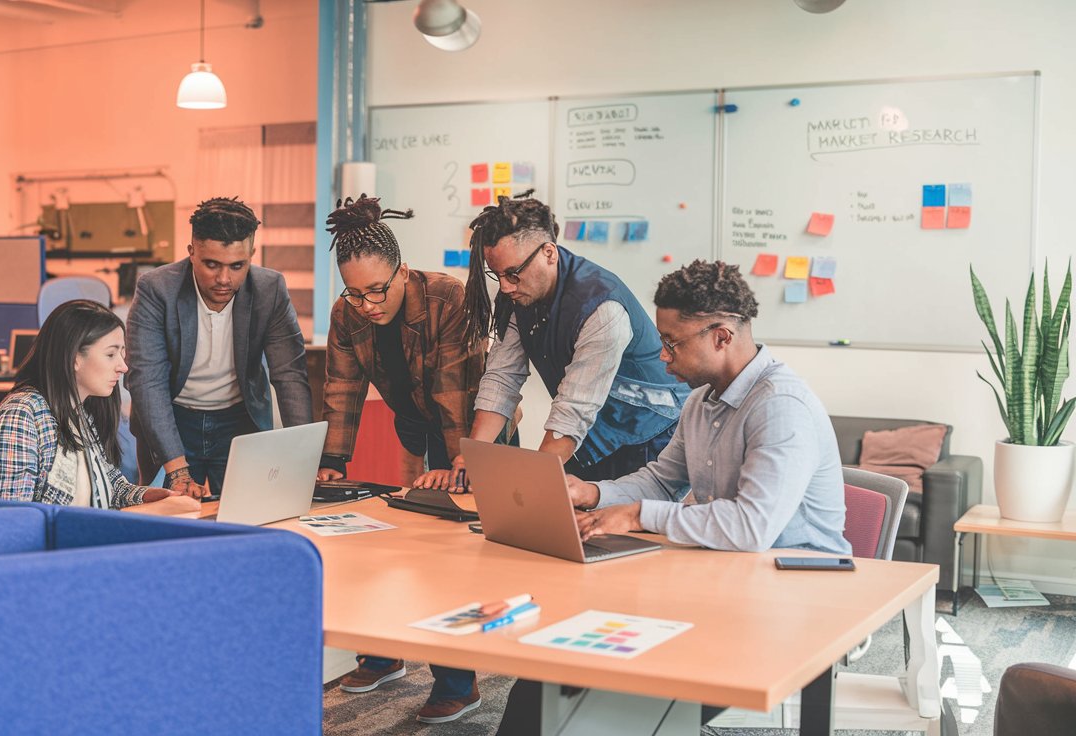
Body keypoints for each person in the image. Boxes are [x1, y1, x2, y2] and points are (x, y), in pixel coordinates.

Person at [494, 260, 850, 734]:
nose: (662, 357)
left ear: (722, 336)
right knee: (549, 669)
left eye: (673, 343)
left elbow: (751, 527)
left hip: (790, 601)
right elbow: (662, 480)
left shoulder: (780, 407)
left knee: (618, 692)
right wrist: (593, 492)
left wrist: (638, 515)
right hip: (723, 579)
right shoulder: (702, 400)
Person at [316, 195, 485, 724]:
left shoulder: (446, 297)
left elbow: (455, 387)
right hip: (415, 427)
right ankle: (384, 656)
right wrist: (333, 462)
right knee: (390, 544)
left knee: (452, 560)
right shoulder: (346, 313)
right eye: (354, 292)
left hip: (475, 431)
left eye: (377, 290)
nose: (367, 304)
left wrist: (458, 463)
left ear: (402, 271)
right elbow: (342, 385)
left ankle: (460, 683)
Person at [438, 194, 689, 489]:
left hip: (650, 433)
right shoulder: (519, 295)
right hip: (592, 430)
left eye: (513, 274)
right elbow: (502, 378)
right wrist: (473, 455)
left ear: (549, 253)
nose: (505, 286)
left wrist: (531, 482)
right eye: (497, 275)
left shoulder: (602, 308)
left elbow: (574, 408)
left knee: (624, 528)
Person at [126, 197, 313, 497]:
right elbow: (147, 381)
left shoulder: (270, 289)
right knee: (169, 518)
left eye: (237, 266)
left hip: (239, 421)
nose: (224, 279)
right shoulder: (156, 289)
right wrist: (177, 468)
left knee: (252, 514)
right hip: (173, 420)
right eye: (211, 264)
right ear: (191, 253)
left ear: (252, 255)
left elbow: (290, 374)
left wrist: (303, 456)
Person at [0, 300, 187, 509]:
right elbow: (9, 524)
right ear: (74, 357)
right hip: (63, 543)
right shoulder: (20, 419)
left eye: (122, 354)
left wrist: (150, 495)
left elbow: (109, 485)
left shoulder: (79, 411)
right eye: (111, 354)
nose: (123, 367)